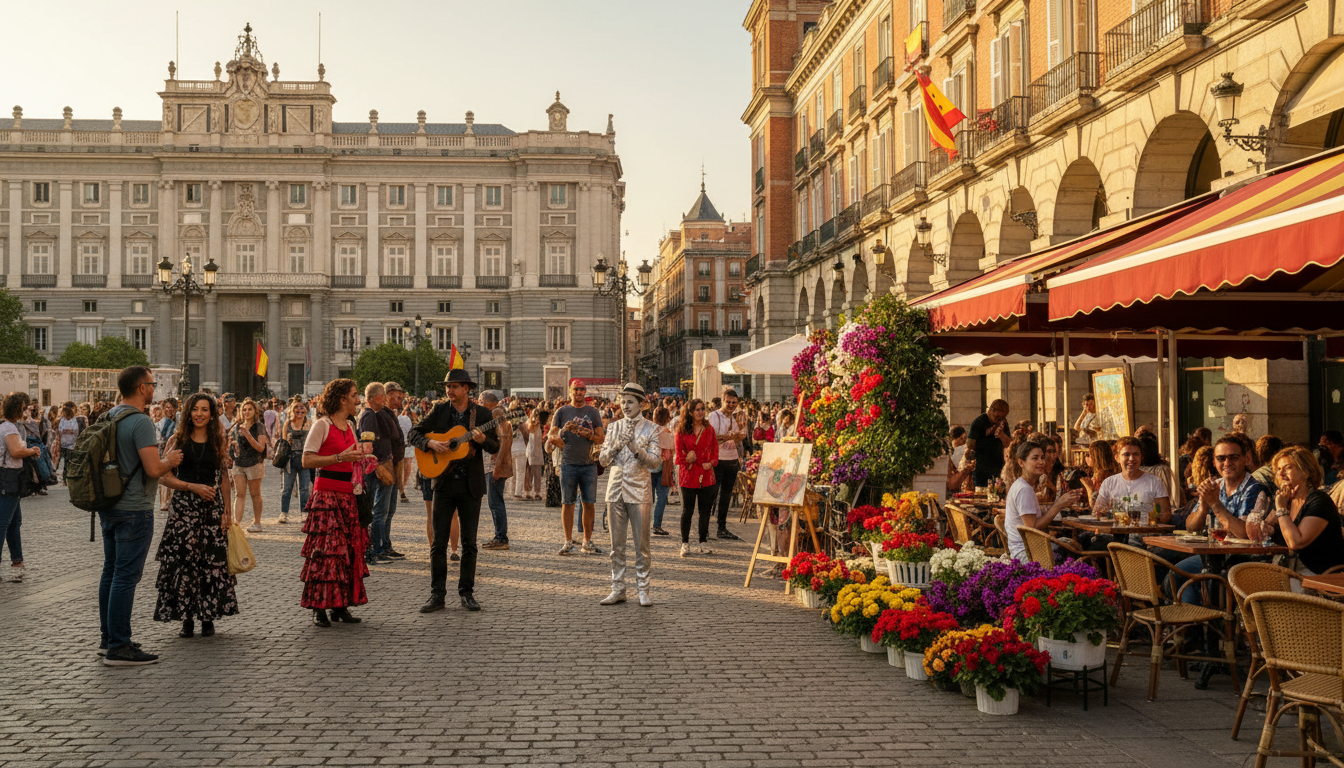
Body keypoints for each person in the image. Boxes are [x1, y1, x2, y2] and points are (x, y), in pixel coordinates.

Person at [98, 366, 184, 666]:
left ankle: (109, 637)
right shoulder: (140, 421)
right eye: (152, 383)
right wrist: (169, 459)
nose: (154, 388)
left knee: (110, 571)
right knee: (125, 576)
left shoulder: (107, 416)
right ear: (141, 387)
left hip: (108, 505)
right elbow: (153, 469)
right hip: (134, 508)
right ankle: (119, 647)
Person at [411, 369, 499, 614]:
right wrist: (430, 443)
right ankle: (437, 594)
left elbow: (495, 447)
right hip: (443, 484)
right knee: (438, 543)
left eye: (455, 386)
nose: (450, 390)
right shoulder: (439, 410)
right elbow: (413, 433)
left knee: (469, 543)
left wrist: (482, 441)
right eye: (448, 386)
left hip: (471, 486)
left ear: (466, 389)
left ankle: (466, 593)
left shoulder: (481, 414)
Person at [153, 393, 238, 639]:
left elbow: (223, 477)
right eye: (195, 409)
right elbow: (163, 477)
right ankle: (187, 618)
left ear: (212, 414)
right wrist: (192, 487)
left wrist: (227, 510)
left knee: (210, 562)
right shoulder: (177, 440)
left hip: (211, 507)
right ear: (188, 412)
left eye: (205, 410)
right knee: (185, 562)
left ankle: (208, 617)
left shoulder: (217, 440)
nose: (199, 414)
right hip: (184, 510)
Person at [300, 378, 371, 627]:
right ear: (342, 399)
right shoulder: (322, 424)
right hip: (327, 495)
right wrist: (340, 456)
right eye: (354, 395)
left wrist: (364, 457)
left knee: (345, 553)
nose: (358, 399)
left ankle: (340, 605)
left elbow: (351, 458)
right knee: (325, 553)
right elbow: (307, 460)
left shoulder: (351, 425)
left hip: (348, 494)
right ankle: (319, 607)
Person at [1176, 436, 1269, 599]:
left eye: (1233, 457)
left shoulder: (1255, 489)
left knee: (1184, 582)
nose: (1227, 463)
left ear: (1246, 459)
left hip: (1239, 562)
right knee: (1174, 577)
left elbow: (1244, 533)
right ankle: (1199, 620)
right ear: (1214, 461)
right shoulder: (1214, 485)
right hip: (1212, 557)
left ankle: (1204, 621)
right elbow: (1190, 526)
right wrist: (1204, 506)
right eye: (1221, 458)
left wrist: (1215, 504)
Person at [596, 384, 663, 606]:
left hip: (640, 491)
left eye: (630, 402)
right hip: (615, 490)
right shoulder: (613, 427)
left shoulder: (652, 428)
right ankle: (618, 588)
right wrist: (615, 446)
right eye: (623, 402)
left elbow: (655, 462)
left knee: (642, 545)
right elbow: (603, 460)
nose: (625, 406)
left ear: (641, 404)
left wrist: (637, 449)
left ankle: (643, 589)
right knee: (616, 546)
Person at [1260, 446, 1344, 575]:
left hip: (1319, 578)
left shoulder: (1319, 500)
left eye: (1288, 467)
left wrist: (1281, 509)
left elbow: (1295, 543)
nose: (1281, 473)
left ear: (1306, 471)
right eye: (1278, 469)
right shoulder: (1287, 500)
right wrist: (1271, 519)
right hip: (1288, 571)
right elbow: (1261, 533)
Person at [549, 379, 605, 556]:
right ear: (570, 391)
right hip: (568, 464)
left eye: (582, 390)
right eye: (576, 389)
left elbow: (601, 437)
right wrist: (563, 435)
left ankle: (587, 541)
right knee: (568, 503)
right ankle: (568, 541)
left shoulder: (593, 412)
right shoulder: (562, 411)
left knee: (589, 503)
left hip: (588, 465)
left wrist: (590, 435)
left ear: (585, 392)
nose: (579, 392)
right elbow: (551, 435)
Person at [1004, 440, 1081, 561]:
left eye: (1042, 458)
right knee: (1078, 551)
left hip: (1027, 548)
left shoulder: (1024, 485)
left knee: (1071, 544)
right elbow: (1032, 528)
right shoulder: (1024, 489)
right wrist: (1059, 505)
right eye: (1035, 458)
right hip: (1026, 553)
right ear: (1021, 462)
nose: (1041, 462)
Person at [0, 392, 40, 584]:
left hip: (10, 479)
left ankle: (17, 561)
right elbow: (16, 451)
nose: (26, 412)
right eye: (24, 408)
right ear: (18, 409)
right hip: (8, 478)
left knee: (14, 522)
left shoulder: (7, 426)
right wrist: (32, 450)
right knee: (3, 523)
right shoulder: (9, 428)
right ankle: (14, 561)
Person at [358, 382, 397, 564]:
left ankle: (382, 546)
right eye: (382, 395)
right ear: (375, 397)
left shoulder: (375, 414)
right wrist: (378, 466)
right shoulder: (368, 416)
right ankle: (376, 549)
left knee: (383, 509)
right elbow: (367, 446)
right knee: (378, 510)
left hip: (382, 464)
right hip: (376, 467)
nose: (384, 399)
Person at [675, 398, 718, 557]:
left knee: (705, 511)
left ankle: (703, 541)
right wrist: (688, 458)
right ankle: (684, 543)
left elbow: (715, 450)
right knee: (687, 511)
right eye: (697, 409)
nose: (700, 412)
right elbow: (678, 454)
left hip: (706, 475)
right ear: (690, 412)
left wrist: (712, 463)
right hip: (689, 475)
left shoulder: (709, 429)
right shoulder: (681, 431)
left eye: (702, 409)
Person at [707, 388, 745, 541]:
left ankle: (721, 527)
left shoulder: (734, 417)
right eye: (728, 402)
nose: (731, 405)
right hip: (718, 459)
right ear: (722, 401)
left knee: (726, 495)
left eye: (734, 402)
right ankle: (706, 527)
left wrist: (739, 441)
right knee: (712, 494)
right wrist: (728, 436)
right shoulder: (714, 416)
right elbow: (711, 438)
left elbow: (737, 439)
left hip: (732, 460)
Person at [228, 399, 269, 533]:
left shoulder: (259, 427)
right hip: (239, 463)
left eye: (249, 409)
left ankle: (257, 522)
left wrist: (248, 435)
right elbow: (233, 442)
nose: (246, 412)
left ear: (254, 411)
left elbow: (261, 448)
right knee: (239, 494)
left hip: (254, 463)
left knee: (255, 494)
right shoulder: (236, 425)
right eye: (244, 409)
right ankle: (236, 524)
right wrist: (232, 445)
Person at [481, 391, 514, 552]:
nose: (480, 403)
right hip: (493, 464)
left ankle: (501, 538)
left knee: (495, 502)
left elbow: (505, 439)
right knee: (494, 502)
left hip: (494, 465)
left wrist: (497, 466)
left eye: (481, 400)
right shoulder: (496, 412)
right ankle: (499, 536)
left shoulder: (496, 412)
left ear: (489, 401)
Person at [279, 400, 312, 524]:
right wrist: (287, 442)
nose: (300, 410)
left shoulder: (309, 423)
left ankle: (304, 512)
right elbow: (282, 442)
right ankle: (284, 513)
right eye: (297, 408)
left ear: (306, 410)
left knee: (304, 488)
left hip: (305, 459)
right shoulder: (287, 424)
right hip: (290, 459)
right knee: (287, 488)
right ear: (292, 410)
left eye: (302, 408)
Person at [967, 399, 1010, 488]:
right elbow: (970, 444)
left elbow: (1009, 444)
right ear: (992, 410)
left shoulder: (1003, 422)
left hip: (998, 467)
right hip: (981, 468)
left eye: (1002, 417)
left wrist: (1001, 435)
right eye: (998, 417)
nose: (999, 419)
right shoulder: (979, 422)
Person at [650, 407, 675, 536]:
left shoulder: (648, 431)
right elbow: (672, 449)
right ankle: (656, 525)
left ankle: (643, 524)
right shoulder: (667, 432)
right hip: (664, 468)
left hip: (648, 467)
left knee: (649, 499)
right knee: (661, 498)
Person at [1079, 439, 1119, 505]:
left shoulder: (1104, 478)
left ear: (1096, 457)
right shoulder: (1097, 475)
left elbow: (1096, 505)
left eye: (1088, 454)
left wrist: (1089, 488)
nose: (1086, 457)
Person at [156, 398, 179, 511]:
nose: (170, 410)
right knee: (162, 476)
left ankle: (169, 500)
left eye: (172, 408)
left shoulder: (178, 423)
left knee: (172, 475)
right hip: (160, 450)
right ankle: (163, 501)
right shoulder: (158, 423)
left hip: (173, 451)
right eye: (167, 407)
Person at [524, 407, 547, 501]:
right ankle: (527, 492)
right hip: (530, 451)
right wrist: (533, 423)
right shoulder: (529, 423)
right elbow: (530, 429)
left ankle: (537, 492)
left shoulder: (540, 425)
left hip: (537, 451)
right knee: (529, 473)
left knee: (537, 474)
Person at [57, 404, 80, 484]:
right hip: (63, 444)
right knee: (65, 463)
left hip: (71, 445)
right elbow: (60, 431)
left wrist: (67, 431)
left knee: (69, 462)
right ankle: (64, 478)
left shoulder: (74, 420)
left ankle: (68, 477)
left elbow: (75, 431)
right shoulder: (62, 420)